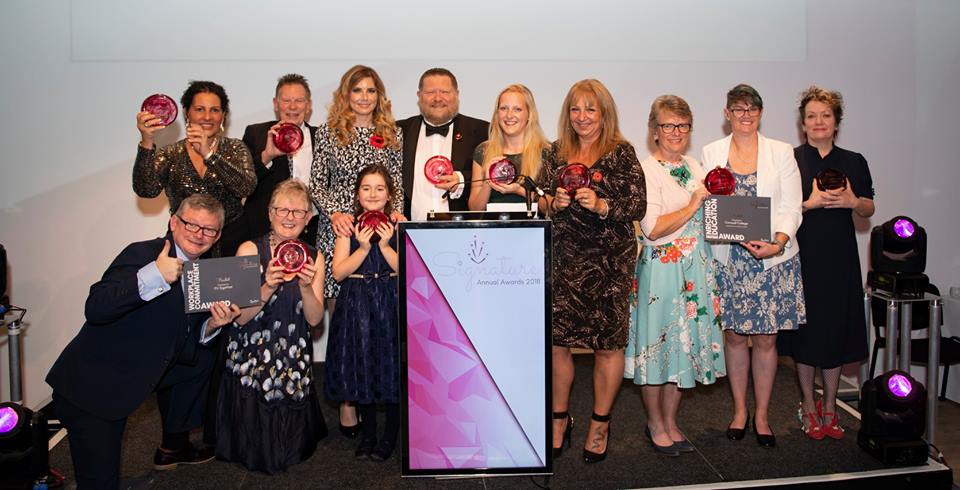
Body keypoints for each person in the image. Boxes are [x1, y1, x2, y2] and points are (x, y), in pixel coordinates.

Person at [46, 194, 242, 489]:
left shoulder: (204, 273)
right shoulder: (143, 254)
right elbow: (96, 308)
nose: (199, 234)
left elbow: (187, 337)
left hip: (131, 384)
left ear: (217, 237)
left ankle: (173, 438)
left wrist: (213, 324)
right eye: (191, 224)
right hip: (91, 392)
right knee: (99, 483)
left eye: (209, 230)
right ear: (174, 222)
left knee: (204, 361)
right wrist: (153, 275)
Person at [538, 79, 646, 463]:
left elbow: (637, 205)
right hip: (564, 260)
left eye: (590, 109)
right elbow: (543, 204)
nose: (582, 117)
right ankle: (559, 419)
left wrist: (601, 205)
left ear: (604, 114)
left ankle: (600, 423)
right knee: (558, 343)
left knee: (608, 346)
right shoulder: (554, 153)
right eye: (575, 109)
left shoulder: (621, 153)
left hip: (608, 263)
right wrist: (556, 201)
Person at [700, 83, 804, 448]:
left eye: (752, 109)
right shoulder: (711, 151)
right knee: (733, 337)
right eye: (738, 109)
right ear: (727, 114)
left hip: (772, 259)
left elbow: (793, 206)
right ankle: (739, 410)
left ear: (760, 114)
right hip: (730, 260)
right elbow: (709, 206)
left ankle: (761, 415)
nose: (745, 115)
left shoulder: (780, 152)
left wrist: (777, 242)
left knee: (766, 339)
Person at [624, 95, 726, 456]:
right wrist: (694, 204)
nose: (676, 132)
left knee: (683, 351)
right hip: (661, 275)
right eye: (668, 125)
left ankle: (671, 420)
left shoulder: (695, 166)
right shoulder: (646, 170)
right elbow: (652, 228)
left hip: (694, 271)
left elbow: (709, 219)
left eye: (683, 125)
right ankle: (654, 422)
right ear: (655, 131)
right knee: (657, 351)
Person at [308, 65, 403, 435]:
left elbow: (397, 184)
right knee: (346, 323)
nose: (364, 97)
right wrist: (336, 213)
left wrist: (395, 213)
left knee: (381, 319)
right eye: (357, 90)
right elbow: (318, 181)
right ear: (346, 95)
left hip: (382, 229)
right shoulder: (331, 133)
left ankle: (378, 392)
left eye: (371, 90)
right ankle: (349, 401)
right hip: (342, 230)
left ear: (379, 96)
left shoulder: (390, 133)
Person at [778, 86, 875, 440]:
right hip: (801, 259)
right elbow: (780, 210)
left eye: (826, 115)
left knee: (834, 332)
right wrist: (810, 203)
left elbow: (868, 208)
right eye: (811, 116)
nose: (819, 122)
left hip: (840, 260)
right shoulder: (790, 159)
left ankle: (831, 408)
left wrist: (852, 200)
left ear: (836, 122)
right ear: (802, 124)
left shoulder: (854, 161)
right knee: (807, 336)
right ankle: (807, 405)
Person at [216, 179, 328, 473]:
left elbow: (315, 320)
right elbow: (240, 317)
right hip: (254, 354)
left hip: (292, 354)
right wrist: (266, 285)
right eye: (283, 209)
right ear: (270, 213)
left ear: (308, 218)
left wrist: (305, 286)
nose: (289, 217)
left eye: (298, 212)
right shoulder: (249, 250)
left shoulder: (315, 257)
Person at [324, 165, 401, 461]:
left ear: (389, 194)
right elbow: (339, 272)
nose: (373, 194)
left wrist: (384, 245)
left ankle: (389, 436)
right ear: (357, 193)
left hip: (390, 300)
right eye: (366, 188)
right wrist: (363, 248)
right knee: (363, 367)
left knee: (392, 365)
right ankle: (368, 435)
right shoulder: (349, 226)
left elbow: (406, 270)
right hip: (357, 302)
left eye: (380, 188)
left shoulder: (397, 224)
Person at [134, 80, 256, 258]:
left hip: (231, 244)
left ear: (223, 115)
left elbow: (246, 187)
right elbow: (146, 190)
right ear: (186, 112)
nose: (207, 116)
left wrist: (209, 154)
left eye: (215, 110)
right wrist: (147, 140)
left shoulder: (235, 148)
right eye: (200, 109)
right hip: (184, 245)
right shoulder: (171, 153)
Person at [239, 73, 320, 247]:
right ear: (276, 104)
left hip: (312, 231)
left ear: (308, 105)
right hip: (262, 231)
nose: (292, 106)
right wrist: (267, 155)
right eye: (286, 101)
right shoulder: (256, 133)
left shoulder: (322, 137)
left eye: (299, 100)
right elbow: (242, 185)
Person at [397, 67, 489, 220]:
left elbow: (494, 176)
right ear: (419, 96)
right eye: (430, 92)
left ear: (456, 95)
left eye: (445, 92)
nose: (438, 98)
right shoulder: (398, 131)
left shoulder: (482, 132)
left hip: (464, 233)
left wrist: (461, 180)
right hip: (409, 233)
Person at [468, 84, 550, 211]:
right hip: (493, 229)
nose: (509, 115)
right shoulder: (483, 151)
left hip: (534, 230)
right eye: (503, 108)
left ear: (529, 114)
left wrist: (520, 191)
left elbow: (552, 208)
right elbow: (474, 210)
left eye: (517, 109)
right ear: (497, 114)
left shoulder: (546, 152)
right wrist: (488, 182)